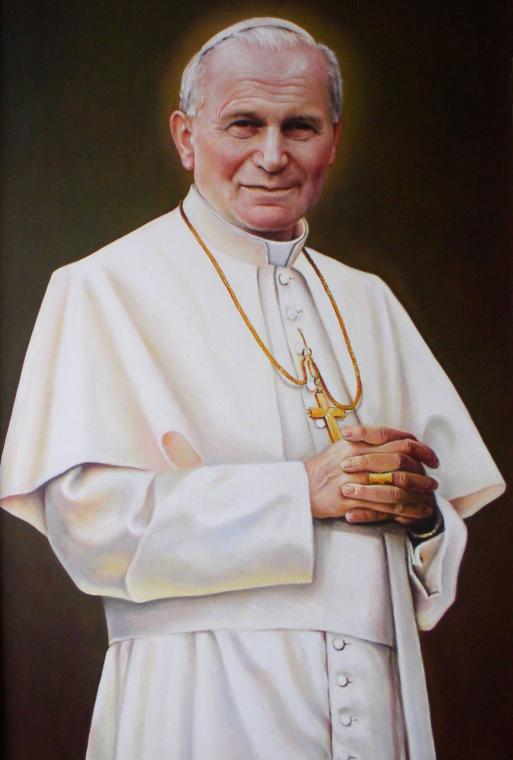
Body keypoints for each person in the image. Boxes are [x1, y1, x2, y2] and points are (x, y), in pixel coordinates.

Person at [0, 17, 504, 760]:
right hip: (199, 699)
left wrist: (423, 516)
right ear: (186, 137)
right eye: (244, 124)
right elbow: (88, 528)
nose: (272, 156)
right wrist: (298, 492)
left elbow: (439, 532)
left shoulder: (368, 300)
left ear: (333, 140)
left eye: (299, 127)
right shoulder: (103, 288)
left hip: (375, 700)